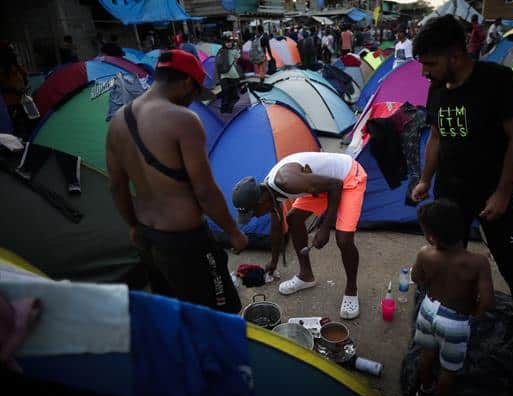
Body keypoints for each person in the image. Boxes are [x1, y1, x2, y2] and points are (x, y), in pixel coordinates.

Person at [410, 15, 513, 358]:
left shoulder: (497, 81)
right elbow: (437, 136)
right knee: (443, 255)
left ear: (456, 55)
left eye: (430, 63)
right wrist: (426, 179)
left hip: (492, 191)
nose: (424, 72)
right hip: (450, 192)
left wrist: (504, 192)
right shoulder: (437, 88)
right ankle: (446, 313)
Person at [106, 50, 248, 313]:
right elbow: (204, 191)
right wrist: (233, 233)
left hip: (148, 238)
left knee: (172, 310)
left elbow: (117, 186)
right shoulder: (183, 120)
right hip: (186, 243)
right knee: (218, 312)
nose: (193, 101)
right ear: (185, 82)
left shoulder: (117, 122)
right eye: (195, 92)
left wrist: (133, 226)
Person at [231, 152, 367, 319]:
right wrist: (273, 262)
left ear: (261, 202)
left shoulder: (287, 182)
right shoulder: (269, 193)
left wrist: (325, 227)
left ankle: (351, 290)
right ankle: (306, 276)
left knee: (343, 239)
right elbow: (276, 228)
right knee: (293, 218)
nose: (256, 217)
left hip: (347, 176)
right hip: (323, 184)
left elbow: (336, 185)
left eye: (253, 213)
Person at [412, 199, 495, 396]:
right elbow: (487, 302)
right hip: (455, 323)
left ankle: (424, 391)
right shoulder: (478, 263)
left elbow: (416, 278)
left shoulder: (425, 254)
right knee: (448, 370)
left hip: (428, 310)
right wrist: (473, 313)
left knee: (426, 354)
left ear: (432, 237)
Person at [0, 43, 30, 138]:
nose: (14, 53)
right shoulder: (3, 70)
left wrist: (22, 87)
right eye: (11, 51)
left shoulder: (16, 67)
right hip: (12, 103)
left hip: (21, 100)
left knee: (25, 123)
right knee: (20, 125)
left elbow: (25, 79)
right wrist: (14, 89)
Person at [216, 32, 241, 114]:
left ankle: (227, 108)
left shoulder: (221, 51)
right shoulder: (231, 51)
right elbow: (238, 59)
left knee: (229, 93)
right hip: (228, 75)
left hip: (229, 75)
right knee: (228, 92)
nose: (229, 43)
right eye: (227, 42)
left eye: (230, 42)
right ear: (224, 42)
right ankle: (226, 109)